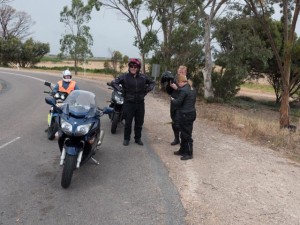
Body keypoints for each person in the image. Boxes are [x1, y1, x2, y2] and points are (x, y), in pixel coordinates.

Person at [111, 58, 155, 146]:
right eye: (131, 66)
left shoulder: (143, 77)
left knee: (139, 122)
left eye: (135, 66)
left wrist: (147, 89)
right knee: (128, 122)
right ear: (129, 67)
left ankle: (137, 138)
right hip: (128, 103)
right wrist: (120, 89)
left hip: (140, 103)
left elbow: (152, 82)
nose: (133, 68)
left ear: (138, 68)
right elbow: (114, 82)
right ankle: (126, 139)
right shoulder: (124, 76)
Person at [170, 75, 197, 160]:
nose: (178, 84)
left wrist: (172, 99)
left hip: (185, 115)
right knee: (183, 134)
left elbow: (178, 102)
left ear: (181, 82)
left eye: (178, 83)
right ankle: (182, 150)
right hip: (190, 113)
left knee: (186, 135)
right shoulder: (191, 88)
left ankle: (189, 153)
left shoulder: (183, 90)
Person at [168, 65, 189, 146]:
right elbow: (169, 91)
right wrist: (168, 86)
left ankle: (183, 140)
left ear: (186, 73)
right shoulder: (174, 79)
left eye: (183, 72)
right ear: (177, 71)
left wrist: (177, 88)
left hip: (182, 105)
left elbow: (187, 93)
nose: (181, 73)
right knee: (174, 122)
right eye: (180, 72)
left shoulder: (188, 81)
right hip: (173, 104)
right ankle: (176, 139)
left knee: (179, 123)